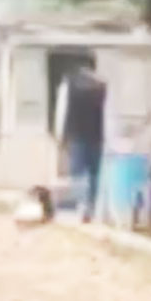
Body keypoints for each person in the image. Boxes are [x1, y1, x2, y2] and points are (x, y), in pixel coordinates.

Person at [54, 66, 106, 222]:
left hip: (76, 135)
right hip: (97, 136)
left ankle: (82, 207)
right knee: (95, 173)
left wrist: (60, 136)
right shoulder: (101, 87)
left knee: (78, 173)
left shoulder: (68, 85)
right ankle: (93, 206)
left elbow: (61, 112)